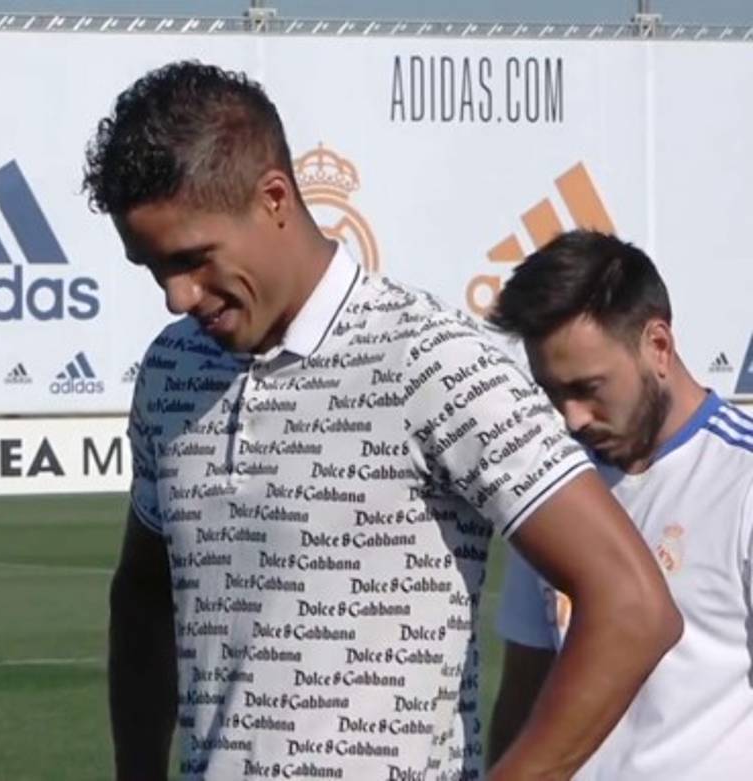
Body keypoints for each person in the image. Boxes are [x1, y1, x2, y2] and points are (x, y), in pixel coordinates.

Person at [83, 61, 681, 781]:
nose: (177, 295)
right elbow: (144, 593)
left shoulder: (431, 360)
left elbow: (634, 603)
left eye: (193, 259)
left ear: (274, 197)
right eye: (153, 268)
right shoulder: (172, 370)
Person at [487, 230, 753, 779]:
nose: (572, 418)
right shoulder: (551, 485)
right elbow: (524, 687)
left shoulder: (742, 480)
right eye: (552, 393)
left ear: (658, 346)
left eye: (589, 388)